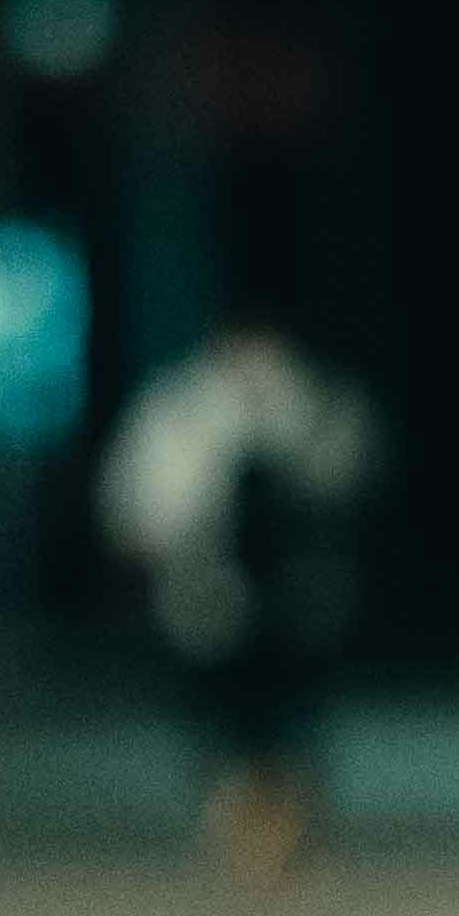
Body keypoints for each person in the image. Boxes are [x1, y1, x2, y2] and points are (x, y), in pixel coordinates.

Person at [98, 322, 384, 883]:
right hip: (207, 600)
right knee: (225, 722)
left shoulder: (319, 404)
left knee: (286, 721)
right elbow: (140, 508)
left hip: (295, 602)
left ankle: (278, 823)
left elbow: (351, 487)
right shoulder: (178, 410)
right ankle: (243, 823)